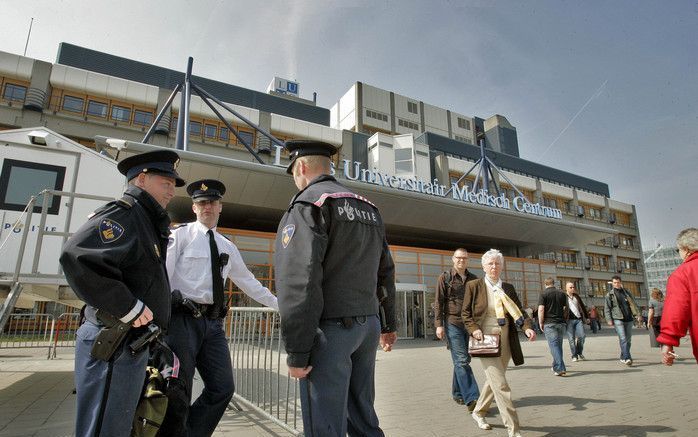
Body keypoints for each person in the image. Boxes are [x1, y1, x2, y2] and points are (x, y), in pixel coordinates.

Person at [273, 140, 397, 436]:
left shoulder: (307, 205)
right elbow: (386, 271)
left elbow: (299, 281)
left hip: (330, 334)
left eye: (293, 172)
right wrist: (388, 324)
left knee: (325, 425)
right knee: (363, 418)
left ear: (301, 167)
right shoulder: (368, 208)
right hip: (366, 327)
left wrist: (298, 352)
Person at [59, 150, 184, 437]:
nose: (171, 191)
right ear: (141, 179)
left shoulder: (145, 221)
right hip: (114, 343)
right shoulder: (124, 214)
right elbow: (78, 256)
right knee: (105, 428)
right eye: (166, 183)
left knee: (118, 426)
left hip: (129, 344)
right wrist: (130, 307)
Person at [165, 179, 279, 436]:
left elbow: (249, 283)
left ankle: (188, 433)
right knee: (177, 390)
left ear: (220, 207)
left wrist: (279, 305)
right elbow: (163, 278)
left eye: (212, 202)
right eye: (201, 203)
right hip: (181, 322)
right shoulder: (179, 236)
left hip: (212, 326)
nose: (207, 207)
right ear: (194, 208)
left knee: (223, 388)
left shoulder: (227, 246)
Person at [462, 249, 536, 437]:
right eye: (490, 263)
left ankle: (478, 412)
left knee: (494, 380)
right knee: (501, 385)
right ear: (483, 266)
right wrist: (474, 329)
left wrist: (526, 327)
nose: (494, 267)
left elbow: (519, 311)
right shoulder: (474, 285)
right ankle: (513, 429)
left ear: (501, 266)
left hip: (506, 339)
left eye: (497, 263)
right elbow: (466, 314)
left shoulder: (508, 288)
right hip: (485, 338)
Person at [434, 248, 480, 409]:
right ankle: (473, 397)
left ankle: (458, 393)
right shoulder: (445, 277)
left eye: (465, 258)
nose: (461, 260)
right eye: (459, 258)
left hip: (469, 324)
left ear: (468, 260)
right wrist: (439, 325)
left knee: (462, 360)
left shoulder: (474, 279)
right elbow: (439, 302)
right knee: (461, 360)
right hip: (452, 323)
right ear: (453, 259)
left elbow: (478, 303)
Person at [658, 228, 698, 365]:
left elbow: (676, 311)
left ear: (686, 249)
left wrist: (668, 342)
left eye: (678, 250)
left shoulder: (683, 274)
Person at [604, 275, 642, 366]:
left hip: (629, 318)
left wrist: (638, 315)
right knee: (623, 338)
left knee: (628, 340)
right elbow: (607, 308)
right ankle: (628, 358)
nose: (616, 284)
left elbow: (634, 304)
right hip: (618, 319)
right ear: (612, 283)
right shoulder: (609, 295)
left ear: (621, 282)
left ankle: (623, 356)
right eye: (614, 283)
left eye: (618, 282)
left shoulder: (627, 292)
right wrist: (609, 319)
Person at [538, 277, 568, 376]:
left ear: (545, 284)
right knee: (558, 346)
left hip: (549, 323)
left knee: (554, 345)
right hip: (560, 322)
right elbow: (564, 308)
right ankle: (556, 365)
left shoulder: (543, 294)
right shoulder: (562, 293)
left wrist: (540, 322)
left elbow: (541, 309)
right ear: (553, 283)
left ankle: (560, 368)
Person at [564, 282, 589, 361]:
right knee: (571, 339)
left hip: (578, 320)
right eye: (570, 287)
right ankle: (574, 355)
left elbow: (582, 306)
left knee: (582, 336)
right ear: (566, 288)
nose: (572, 288)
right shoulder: (563, 297)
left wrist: (587, 317)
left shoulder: (577, 296)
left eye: (573, 287)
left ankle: (579, 352)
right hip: (569, 321)